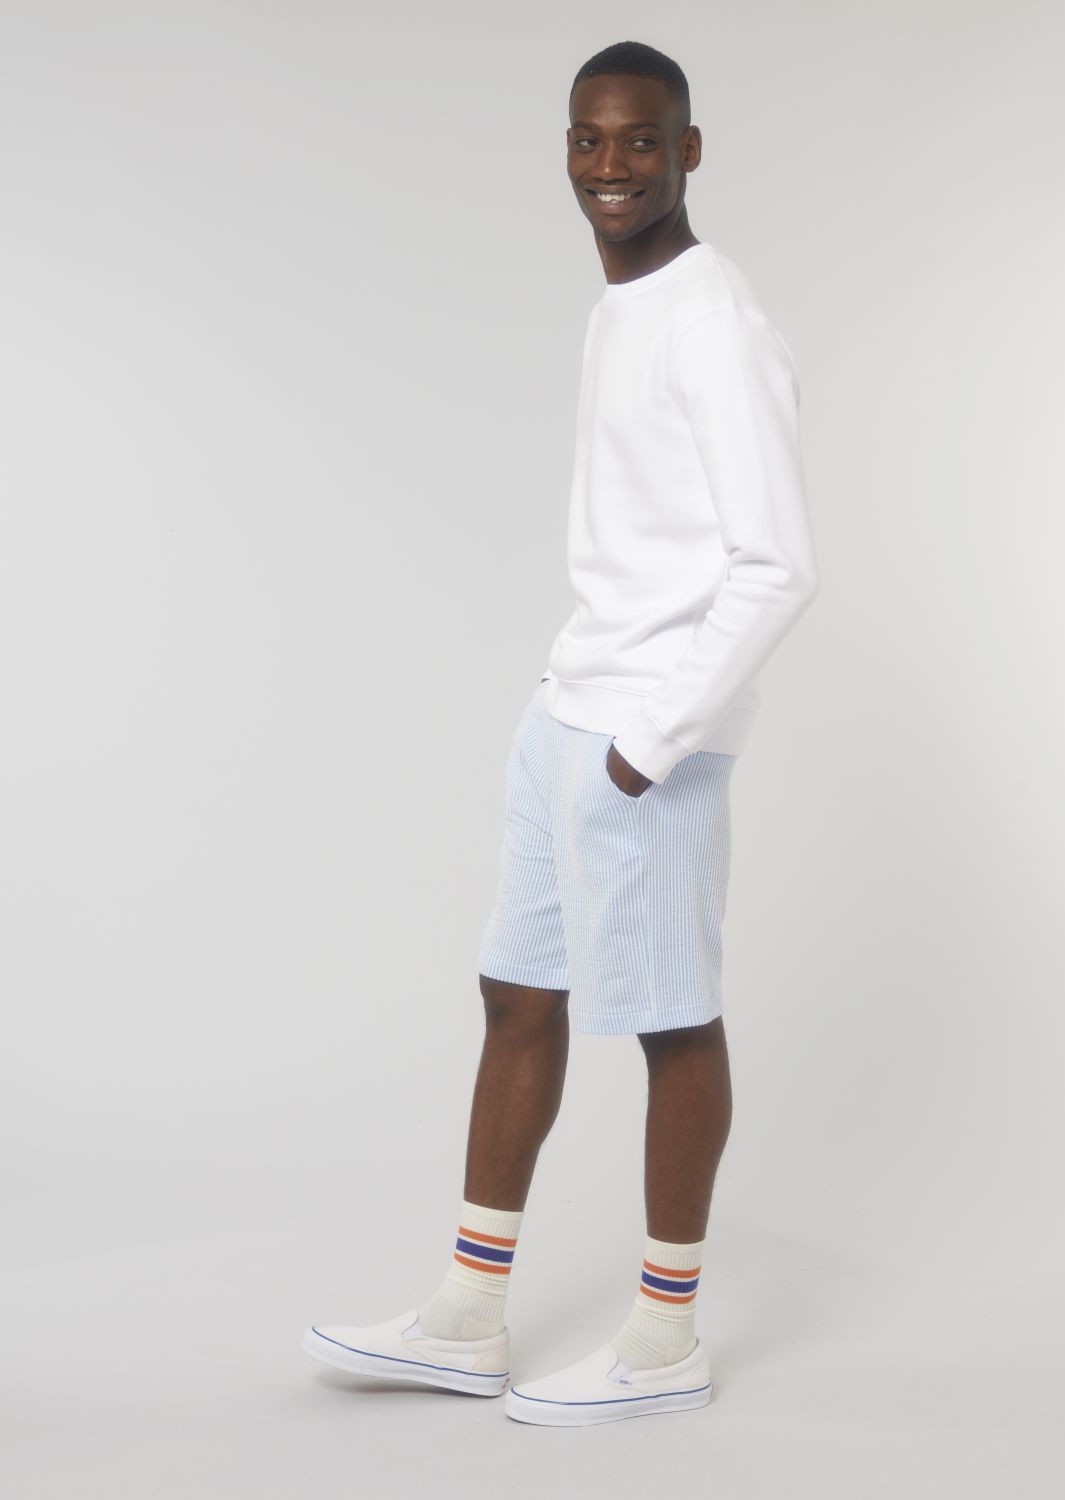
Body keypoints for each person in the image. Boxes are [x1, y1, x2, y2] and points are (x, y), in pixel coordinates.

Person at [302, 38, 819, 1427]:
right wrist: (571, 715)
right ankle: (468, 1317)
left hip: (645, 743)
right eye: (590, 139)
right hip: (568, 713)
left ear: (689, 151)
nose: (611, 165)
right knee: (518, 995)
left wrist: (650, 743)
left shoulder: (714, 323)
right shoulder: (623, 305)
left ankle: (664, 1342)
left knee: (671, 1022)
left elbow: (779, 565)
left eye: (641, 140)